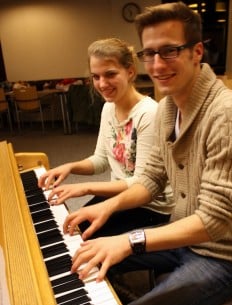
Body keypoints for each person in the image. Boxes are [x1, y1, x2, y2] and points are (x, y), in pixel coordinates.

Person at [64, 2, 232, 305]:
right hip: (181, 235)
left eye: (169, 51)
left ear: (198, 52)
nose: (157, 64)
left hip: (224, 256)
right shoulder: (168, 107)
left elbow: (214, 221)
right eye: (149, 53)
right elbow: (150, 179)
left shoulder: (229, 113)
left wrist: (129, 240)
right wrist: (107, 206)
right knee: (83, 253)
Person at [38, 38, 174, 237]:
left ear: (130, 72)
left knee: (83, 237)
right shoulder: (108, 107)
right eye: (96, 76)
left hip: (151, 206)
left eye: (110, 74)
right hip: (118, 194)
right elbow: (101, 160)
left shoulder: (149, 114)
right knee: (71, 227)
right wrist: (70, 167)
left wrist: (84, 188)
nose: (102, 84)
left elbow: (143, 183)